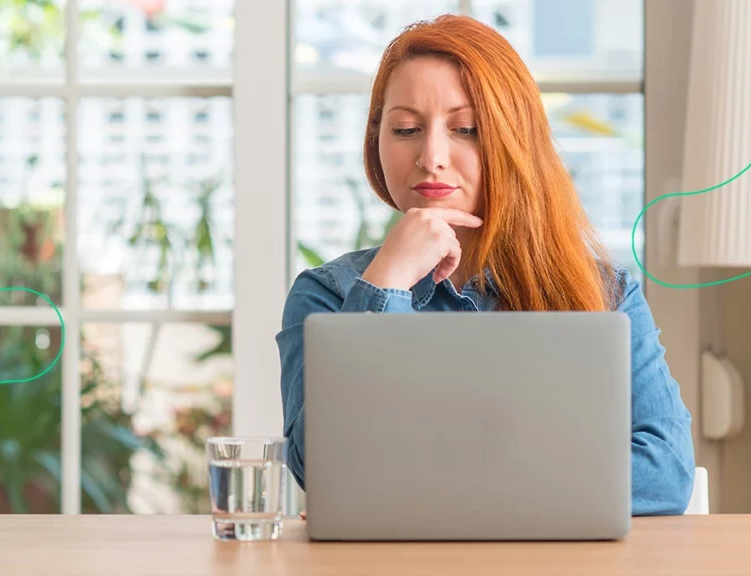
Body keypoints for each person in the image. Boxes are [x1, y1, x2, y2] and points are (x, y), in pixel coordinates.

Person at [275, 14, 695, 516]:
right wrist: (385, 284)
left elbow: (664, 472)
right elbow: (327, 472)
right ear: (376, 139)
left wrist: (429, 490)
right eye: (406, 128)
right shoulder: (327, 295)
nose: (431, 156)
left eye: (466, 129)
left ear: (513, 140)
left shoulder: (603, 291)